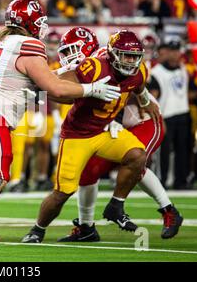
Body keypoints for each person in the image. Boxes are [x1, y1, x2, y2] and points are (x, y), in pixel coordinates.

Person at [0, 0, 122, 247]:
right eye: (40, 21)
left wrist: (64, 73)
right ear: (29, 22)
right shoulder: (28, 44)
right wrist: (91, 89)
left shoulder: (7, 41)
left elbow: (42, 81)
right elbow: (54, 89)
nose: (42, 27)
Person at [22, 29, 160, 243]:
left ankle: (116, 205)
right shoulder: (94, 66)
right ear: (113, 54)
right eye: (125, 55)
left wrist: (144, 99)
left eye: (134, 56)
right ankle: (37, 229)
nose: (130, 61)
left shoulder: (139, 70)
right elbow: (58, 92)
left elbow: (138, 83)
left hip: (105, 130)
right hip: (78, 134)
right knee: (63, 192)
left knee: (138, 155)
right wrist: (89, 90)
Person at [53, 32, 183, 241]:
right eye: (66, 51)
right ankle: (86, 228)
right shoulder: (89, 66)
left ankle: (168, 210)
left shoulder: (108, 61)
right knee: (88, 172)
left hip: (143, 121)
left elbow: (128, 86)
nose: (70, 56)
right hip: (110, 126)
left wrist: (134, 105)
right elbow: (59, 87)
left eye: (73, 50)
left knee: (135, 163)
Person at [149, 39, 193, 189]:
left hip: (183, 113)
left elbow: (188, 91)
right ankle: (161, 182)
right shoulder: (156, 72)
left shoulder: (183, 69)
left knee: (183, 150)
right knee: (164, 153)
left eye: (176, 51)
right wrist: (158, 117)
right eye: (171, 51)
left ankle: (181, 181)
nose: (174, 54)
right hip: (166, 115)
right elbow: (153, 96)